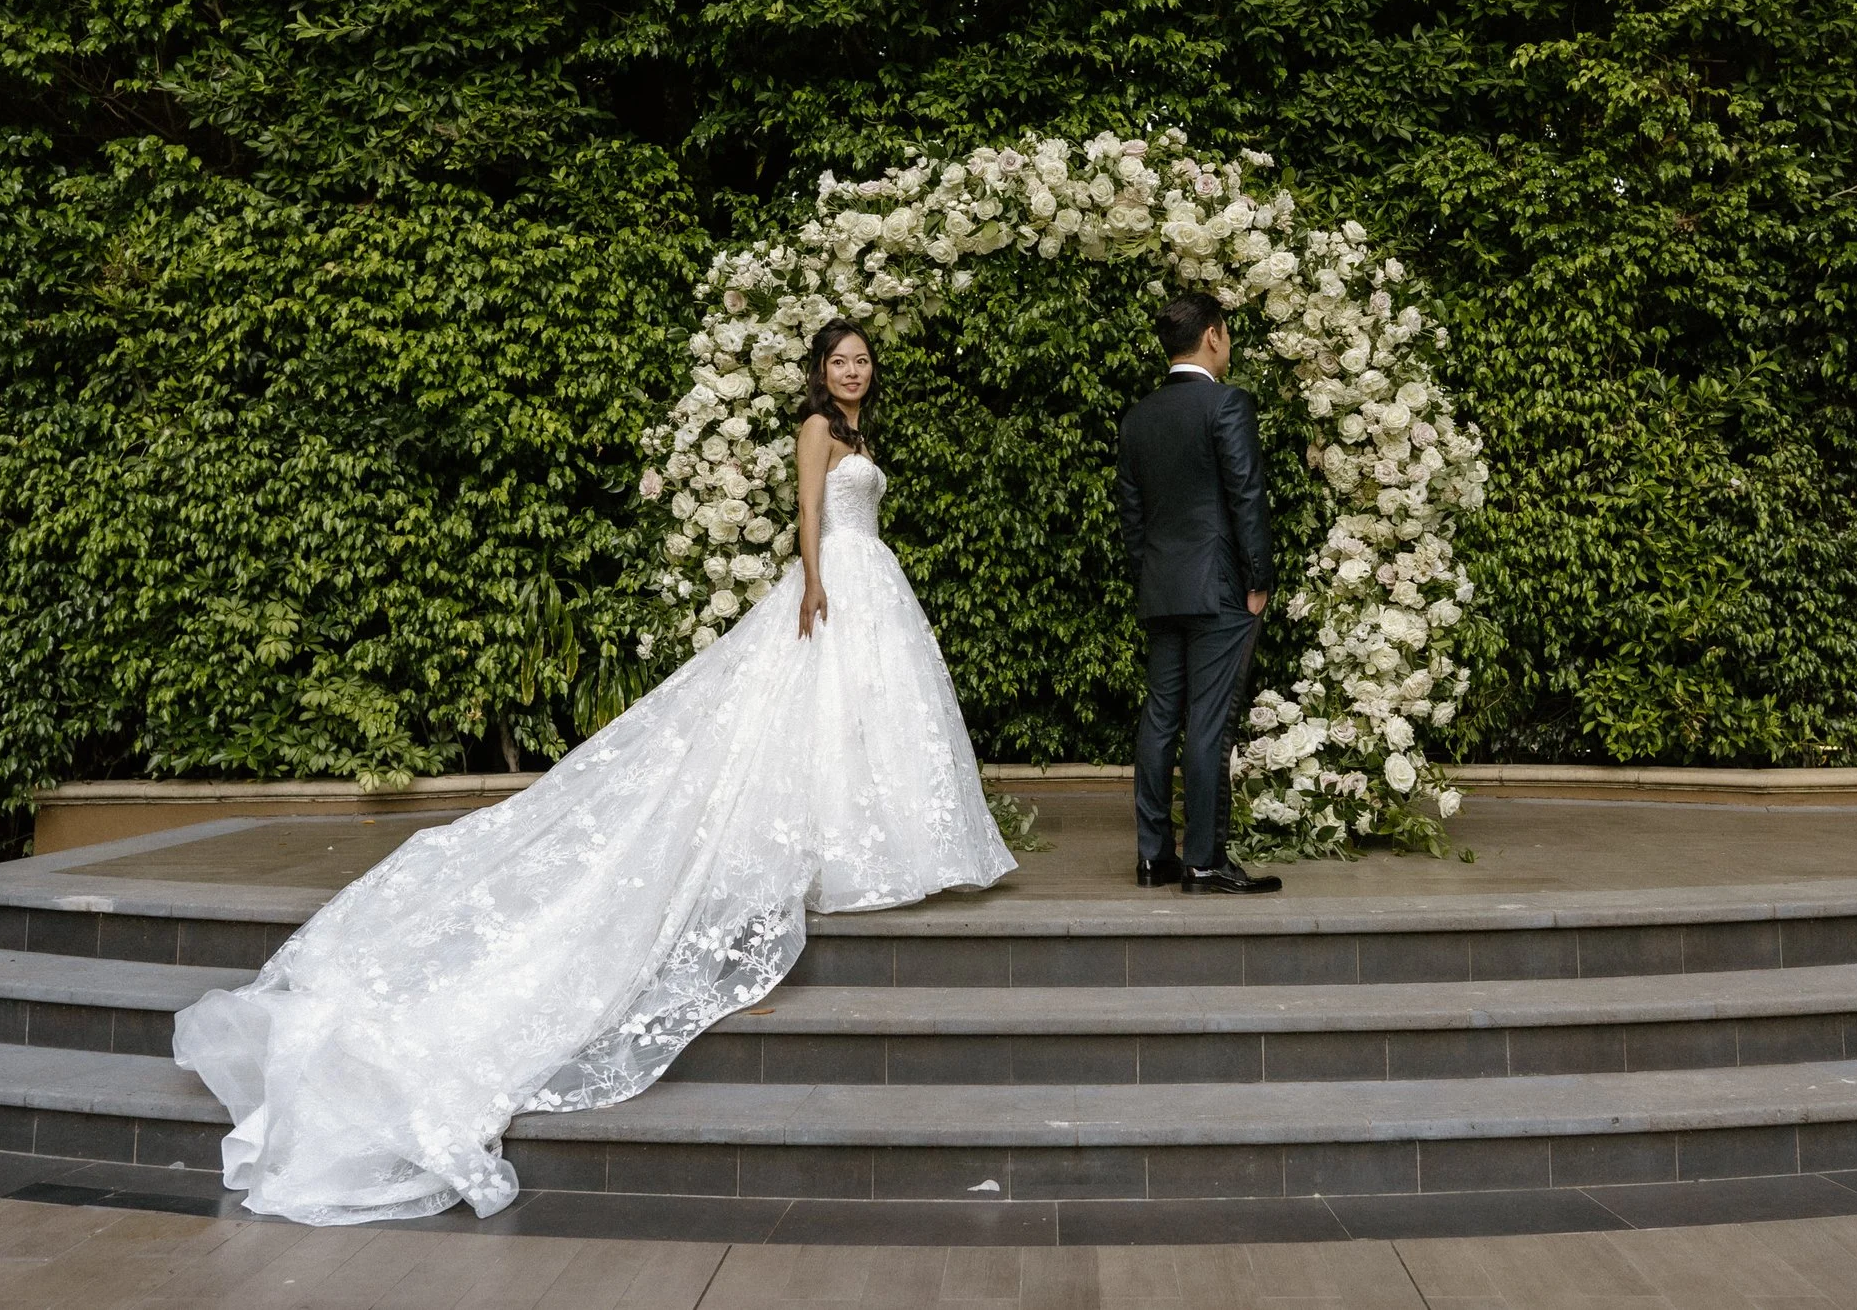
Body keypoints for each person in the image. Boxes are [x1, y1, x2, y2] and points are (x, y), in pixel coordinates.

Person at [171, 320, 1016, 1226]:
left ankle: (872, 844)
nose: (852, 370)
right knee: (811, 713)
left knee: (862, 716)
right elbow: (808, 511)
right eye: (840, 360)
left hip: (876, 580)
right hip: (835, 578)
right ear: (819, 371)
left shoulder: (860, 434)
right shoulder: (816, 429)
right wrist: (813, 581)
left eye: (862, 359)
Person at [1116, 293, 1283, 895]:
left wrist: (1150, 577)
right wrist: (1259, 578)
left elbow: (1133, 516)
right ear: (1212, 335)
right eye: (1227, 333)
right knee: (1209, 723)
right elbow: (1246, 494)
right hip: (1220, 590)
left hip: (1162, 587)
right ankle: (1205, 861)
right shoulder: (1226, 403)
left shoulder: (1138, 416)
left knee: (1161, 718)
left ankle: (1154, 857)